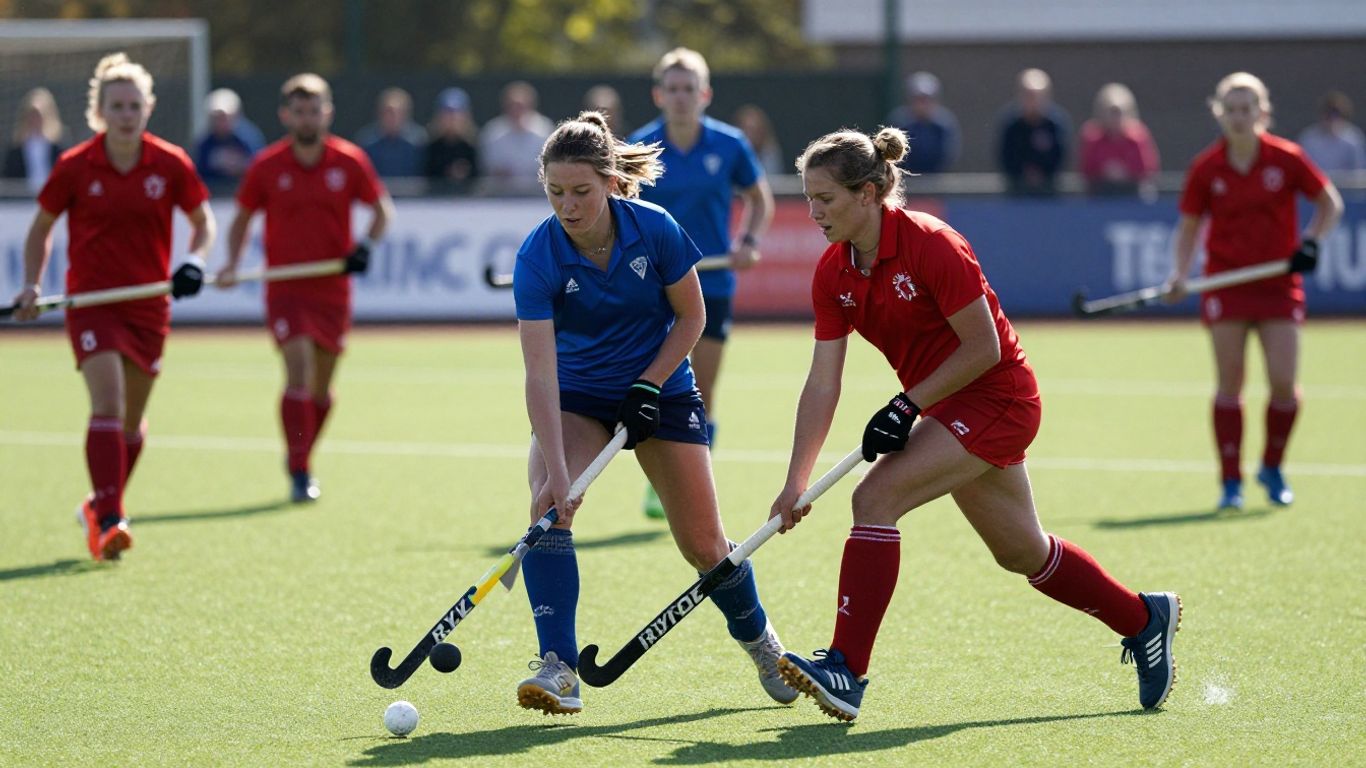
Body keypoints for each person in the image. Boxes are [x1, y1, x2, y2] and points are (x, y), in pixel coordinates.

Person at [768, 126, 1180, 722]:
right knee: (1022, 552)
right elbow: (823, 383)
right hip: (947, 410)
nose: (813, 213)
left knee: (875, 498)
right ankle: (1144, 619)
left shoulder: (933, 244)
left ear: (868, 193)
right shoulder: (833, 273)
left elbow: (983, 349)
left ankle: (846, 669)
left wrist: (907, 405)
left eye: (825, 199)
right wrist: (794, 481)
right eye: (808, 199)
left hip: (999, 398)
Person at [510, 111, 795, 715]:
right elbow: (539, 374)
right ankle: (559, 667)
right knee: (545, 507)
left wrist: (649, 383)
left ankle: (761, 643)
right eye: (555, 192)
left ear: (611, 181)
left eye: (582, 191)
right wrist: (559, 477)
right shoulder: (537, 257)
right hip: (577, 397)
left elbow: (693, 318)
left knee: (703, 543)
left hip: (660, 390)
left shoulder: (656, 229)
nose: (568, 205)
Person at [9, 53, 216, 561]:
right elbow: (41, 229)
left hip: (149, 305)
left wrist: (192, 260)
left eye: (133, 104)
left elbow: (203, 220)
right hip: (93, 304)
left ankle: (97, 504)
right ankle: (109, 520)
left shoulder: (169, 162)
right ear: (99, 111)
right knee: (107, 403)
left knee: (131, 425)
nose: (125, 113)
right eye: (115, 106)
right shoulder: (75, 165)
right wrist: (32, 285)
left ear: (148, 107)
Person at [1166, 72, 1343, 511]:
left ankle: (1272, 465)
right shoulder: (1206, 168)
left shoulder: (1286, 158)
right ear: (1220, 114)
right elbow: (1188, 229)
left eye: (1248, 109)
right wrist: (1179, 274)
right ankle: (1231, 482)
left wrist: (1311, 242)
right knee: (1231, 383)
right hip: (1226, 283)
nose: (1240, 117)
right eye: (1232, 109)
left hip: (1278, 285)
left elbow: (1329, 204)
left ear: (1262, 113)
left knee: (1283, 383)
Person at [216, 73, 394, 502]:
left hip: (332, 289)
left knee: (322, 389)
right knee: (297, 370)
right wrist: (232, 264)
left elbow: (381, 211)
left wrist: (365, 246)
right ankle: (300, 469)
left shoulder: (349, 160)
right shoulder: (266, 165)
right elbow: (241, 219)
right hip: (286, 288)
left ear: (327, 112)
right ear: (286, 115)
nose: (307, 117)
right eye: (299, 111)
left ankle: (301, 454)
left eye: (314, 110)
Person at [628, 47, 774, 519]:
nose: (681, 97)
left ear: (705, 94)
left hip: (711, 283)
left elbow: (759, 199)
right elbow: (619, 210)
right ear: (658, 95)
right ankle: (659, 484)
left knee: (700, 392)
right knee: (655, 382)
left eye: (689, 88)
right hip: (654, 286)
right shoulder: (640, 146)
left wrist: (749, 239)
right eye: (671, 89)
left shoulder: (730, 145)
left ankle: (697, 485)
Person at [998, 68, 1071, 196]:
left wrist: (1044, 174)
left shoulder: (1055, 124)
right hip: (1017, 190)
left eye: (1037, 96)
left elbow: (1061, 156)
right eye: (1028, 95)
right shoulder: (1011, 125)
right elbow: (1005, 156)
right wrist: (1022, 173)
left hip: (1049, 190)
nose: (1033, 101)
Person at [1079, 83, 1160, 197]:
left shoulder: (1138, 137)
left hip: (1132, 193)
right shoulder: (1092, 137)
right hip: (1101, 193)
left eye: (1118, 112)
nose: (1115, 118)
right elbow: (1086, 170)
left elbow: (1149, 170)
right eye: (1111, 112)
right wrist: (1104, 172)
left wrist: (1126, 172)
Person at [479, 81, 554, 192]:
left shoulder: (545, 131)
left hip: (539, 192)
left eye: (521, 106)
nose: (516, 110)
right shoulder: (493, 133)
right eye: (512, 106)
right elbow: (490, 166)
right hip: (501, 193)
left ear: (531, 105)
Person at [883, 71, 960, 174]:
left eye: (927, 100)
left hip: (936, 183)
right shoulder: (898, 123)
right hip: (904, 180)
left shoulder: (944, 125)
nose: (923, 104)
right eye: (919, 99)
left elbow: (948, 155)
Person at [192, 87, 265, 189]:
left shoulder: (248, 139)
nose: (220, 122)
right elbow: (199, 172)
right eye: (216, 117)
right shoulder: (204, 143)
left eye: (224, 117)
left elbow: (259, 167)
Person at [4, 87, 67, 195]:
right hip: (21, 201)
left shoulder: (57, 148)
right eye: (32, 116)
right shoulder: (15, 152)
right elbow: (9, 181)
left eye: (38, 116)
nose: (35, 120)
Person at [354, 87, 426, 179]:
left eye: (398, 112)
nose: (393, 117)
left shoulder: (420, 141)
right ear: (380, 113)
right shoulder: (365, 142)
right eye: (389, 111)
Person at [424, 86, 480, 192]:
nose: (452, 118)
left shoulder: (474, 146)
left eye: (456, 113)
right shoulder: (431, 147)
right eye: (447, 113)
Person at [1296, 91, 1366, 174]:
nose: (1331, 120)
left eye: (1335, 115)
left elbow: (1359, 172)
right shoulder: (1308, 139)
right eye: (1327, 114)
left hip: (1344, 187)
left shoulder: (1353, 140)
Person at [733, 103, 786, 178]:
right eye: (747, 130)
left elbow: (770, 184)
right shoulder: (730, 151)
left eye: (756, 131)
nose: (751, 135)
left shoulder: (770, 152)